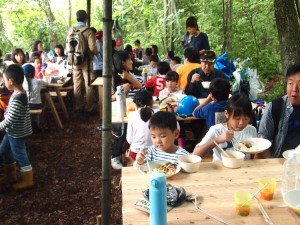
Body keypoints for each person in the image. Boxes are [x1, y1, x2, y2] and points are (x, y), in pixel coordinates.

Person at [193, 93, 257, 161]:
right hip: (221, 169)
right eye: (237, 119)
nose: (241, 123)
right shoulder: (216, 130)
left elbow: (253, 157)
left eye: (246, 119)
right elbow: (195, 155)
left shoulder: (252, 130)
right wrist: (217, 140)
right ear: (226, 114)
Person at [0, 64, 33, 190]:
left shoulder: (19, 98)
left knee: (20, 155)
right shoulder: (17, 93)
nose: (3, 82)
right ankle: (11, 175)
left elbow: (10, 119)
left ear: (11, 81)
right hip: (12, 132)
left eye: (4, 79)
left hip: (17, 133)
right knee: (4, 151)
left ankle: (28, 180)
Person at [258, 63, 300, 158]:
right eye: (290, 83)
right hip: (279, 160)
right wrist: (271, 166)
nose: (294, 89)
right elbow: (263, 139)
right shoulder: (275, 107)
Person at [111, 50, 143, 170]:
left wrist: (130, 77)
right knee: (124, 126)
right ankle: (115, 156)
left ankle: (136, 151)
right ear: (123, 62)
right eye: (130, 59)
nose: (132, 61)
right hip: (116, 112)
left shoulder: (129, 74)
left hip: (131, 109)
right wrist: (120, 91)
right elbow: (107, 99)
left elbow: (142, 89)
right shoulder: (112, 77)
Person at [70, 10, 98, 113]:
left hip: (74, 60)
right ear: (85, 18)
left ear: (77, 18)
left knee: (76, 83)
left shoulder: (70, 30)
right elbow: (92, 48)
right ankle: (90, 106)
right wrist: (95, 52)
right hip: (86, 61)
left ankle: (79, 106)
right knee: (89, 83)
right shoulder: (88, 31)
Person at [126, 90, 157, 160]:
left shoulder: (131, 116)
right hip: (155, 154)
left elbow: (129, 140)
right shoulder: (158, 114)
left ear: (135, 104)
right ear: (152, 102)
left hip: (135, 154)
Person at [22, 63, 47, 131]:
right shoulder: (38, 81)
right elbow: (46, 83)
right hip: (37, 105)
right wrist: (43, 74)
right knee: (44, 99)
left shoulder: (22, 83)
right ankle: (36, 124)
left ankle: (30, 126)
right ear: (34, 73)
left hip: (27, 106)